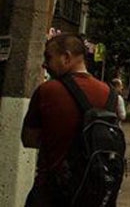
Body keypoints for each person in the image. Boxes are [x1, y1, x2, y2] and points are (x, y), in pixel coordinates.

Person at [22, 33, 115, 206]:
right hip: (93, 192)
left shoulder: (47, 90)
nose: (45, 64)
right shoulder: (110, 94)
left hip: (52, 193)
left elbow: (28, 139)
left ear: (66, 57)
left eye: (49, 57)